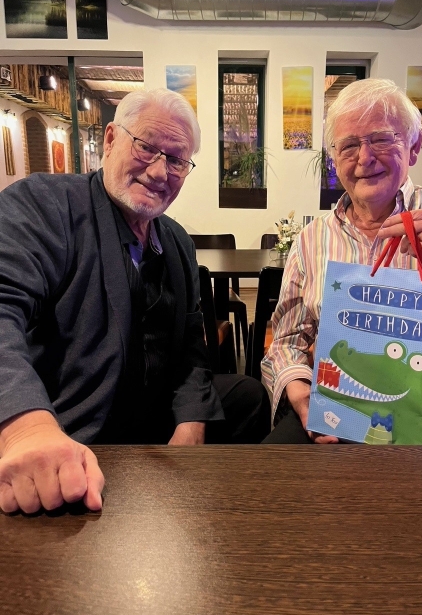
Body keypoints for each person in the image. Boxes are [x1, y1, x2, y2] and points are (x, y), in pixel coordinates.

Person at [0, 88, 270, 515]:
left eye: (177, 160)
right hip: (70, 424)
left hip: (149, 409)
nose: (160, 171)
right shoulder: (45, 205)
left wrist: (190, 420)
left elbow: (191, 348)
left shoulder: (176, 239)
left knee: (249, 397)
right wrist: (25, 427)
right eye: (146, 147)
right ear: (110, 140)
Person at [262, 78, 422, 444]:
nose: (364, 158)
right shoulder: (312, 239)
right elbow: (286, 340)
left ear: (413, 146)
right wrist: (299, 391)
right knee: (269, 484)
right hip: (341, 406)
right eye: (349, 146)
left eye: (380, 139)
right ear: (334, 160)